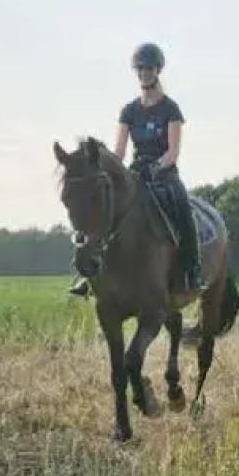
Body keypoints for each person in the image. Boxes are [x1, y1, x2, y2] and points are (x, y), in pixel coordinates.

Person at [69, 41, 206, 297]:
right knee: (104, 210)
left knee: (184, 209)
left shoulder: (170, 108)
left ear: (158, 70)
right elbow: (119, 151)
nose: (144, 73)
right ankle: (88, 277)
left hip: (164, 174)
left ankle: (192, 269)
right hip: (135, 172)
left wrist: (156, 167)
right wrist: (109, 168)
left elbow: (173, 151)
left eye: (149, 68)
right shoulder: (129, 111)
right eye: (140, 69)